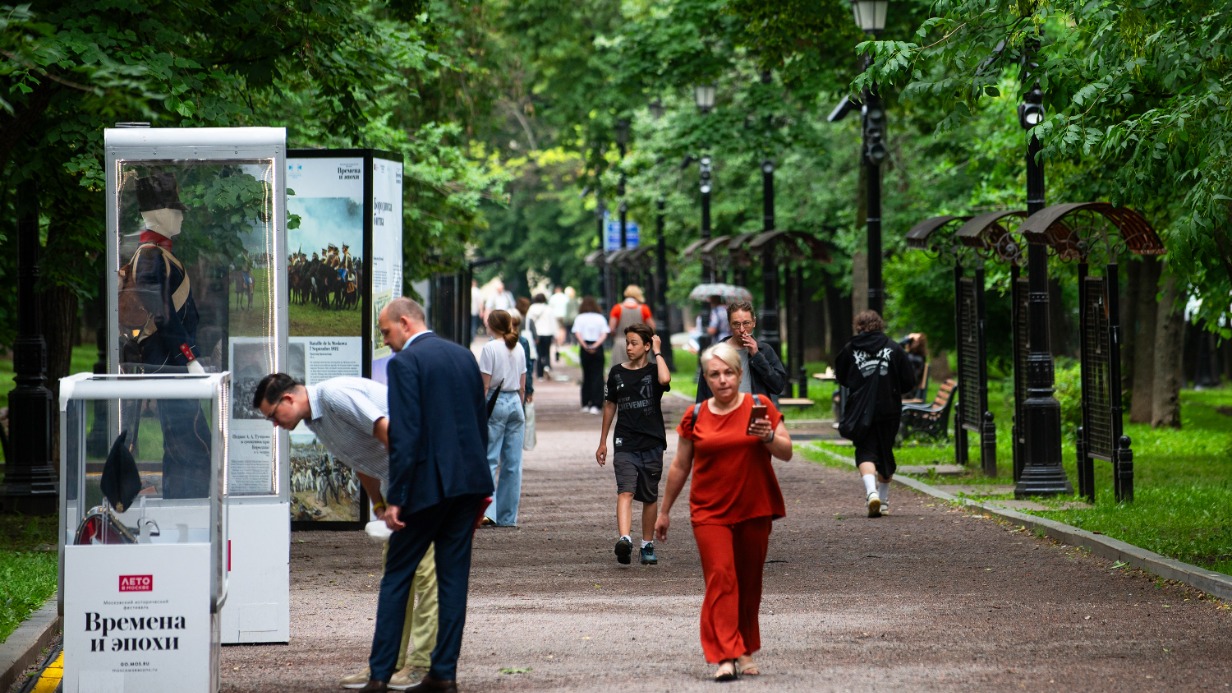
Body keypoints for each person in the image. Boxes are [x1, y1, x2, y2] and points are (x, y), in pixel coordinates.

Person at [252, 374, 438, 690]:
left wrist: (402, 495)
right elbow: (361, 459)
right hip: (400, 486)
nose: (274, 424)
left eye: (272, 416)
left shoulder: (334, 395)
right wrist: (378, 503)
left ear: (287, 400)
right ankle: (386, 664)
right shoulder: (315, 421)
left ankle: (421, 664)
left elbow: (388, 430)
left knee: (423, 573)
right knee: (397, 575)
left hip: (421, 477)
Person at [361, 297, 494, 693]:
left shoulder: (405, 364)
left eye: (386, 332)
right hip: (468, 482)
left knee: (397, 576)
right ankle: (444, 673)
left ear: (405, 323)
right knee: (453, 579)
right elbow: (477, 420)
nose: (386, 341)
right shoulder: (463, 357)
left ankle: (380, 674)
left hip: (426, 488)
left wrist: (396, 497)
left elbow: (406, 435)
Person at [655, 342, 793, 681]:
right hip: (709, 512)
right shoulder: (696, 415)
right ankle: (725, 656)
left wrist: (769, 437)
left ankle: (744, 648)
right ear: (706, 378)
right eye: (714, 374)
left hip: (754, 508)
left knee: (748, 582)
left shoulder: (759, 406)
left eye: (728, 372)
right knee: (721, 579)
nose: (722, 380)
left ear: (739, 374)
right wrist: (664, 511)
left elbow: (786, 452)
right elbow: (679, 466)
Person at [123, 171, 211, 499]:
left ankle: (185, 502)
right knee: (188, 442)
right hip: (170, 362)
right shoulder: (150, 256)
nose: (181, 216)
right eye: (176, 210)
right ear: (159, 214)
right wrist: (188, 358)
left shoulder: (157, 254)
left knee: (186, 440)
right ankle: (186, 503)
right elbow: (162, 314)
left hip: (171, 361)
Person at [595, 323, 671, 566]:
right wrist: (603, 441)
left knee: (649, 495)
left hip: (652, 442)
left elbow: (665, 379)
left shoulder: (653, 371)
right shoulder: (617, 372)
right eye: (627, 342)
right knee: (625, 490)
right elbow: (609, 406)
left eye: (634, 343)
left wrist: (658, 352)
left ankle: (646, 545)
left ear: (647, 346)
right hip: (625, 441)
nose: (628, 347)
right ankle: (625, 540)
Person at [834, 310, 917, 518]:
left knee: (865, 451)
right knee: (885, 452)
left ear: (859, 327)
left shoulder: (850, 349)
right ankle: (884, 500)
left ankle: (872, 493)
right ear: (879, 325)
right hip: (889, 408)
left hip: (860, 410)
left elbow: (841, 376)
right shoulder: (894, 348)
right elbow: (909, 380)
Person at [477, 309, 526, 528]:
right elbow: (523, 385)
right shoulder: (519, 347)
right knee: (513, 464)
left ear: (492, 325)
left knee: (489, 459)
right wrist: (520, 407)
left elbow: (485, 385)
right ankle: (508, 517)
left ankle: (488, 512)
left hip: (496, 403)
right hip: (515, 402)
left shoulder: (489, 348)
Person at [695, 301, 788, 406]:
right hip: (722, 416)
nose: (742, 329)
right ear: (729, 324)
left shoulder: (764, 350)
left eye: (746, 323)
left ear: (754, 322)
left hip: (755, 415)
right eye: (736, 324)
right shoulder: (715, 353)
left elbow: (778, 386)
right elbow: (702, 395)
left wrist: (757, 355)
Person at [572, 296, 610, 414]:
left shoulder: (580, 318)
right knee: (598, 375)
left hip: (585, 347)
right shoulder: (600, 318)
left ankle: (585, 403)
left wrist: (585, 345)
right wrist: (596, 345)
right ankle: (596, 404)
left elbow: (577, 333)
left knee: (586, 375)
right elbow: (604, 333)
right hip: (597, 347)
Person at [608, 284, 655, 366]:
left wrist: (617, 336)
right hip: (640, 344)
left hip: (621, 344)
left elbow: (611, 328)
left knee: (620, 372)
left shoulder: (617, 308)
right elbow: (652, 327)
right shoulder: (644, 309)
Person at [525, 293, 558, 380]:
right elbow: (553, 322)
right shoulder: (548, 309)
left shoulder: (532, 308)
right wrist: (555, 334)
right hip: (548, 333)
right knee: (547, 352)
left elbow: (529, 321)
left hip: (537, 333)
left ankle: (540, 375)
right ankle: (547, 366)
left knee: (538, 353)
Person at [899, 332, 929, 401]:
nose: (911, 342)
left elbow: (896, 348)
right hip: (907, 390)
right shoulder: (917, 357)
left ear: (919, 343)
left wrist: (906, 339)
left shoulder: (915, 359)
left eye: (913, 340)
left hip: (907, 393)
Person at [548, 286, 571, 352]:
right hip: (564, 314)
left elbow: (550, 307)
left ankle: (558, 340)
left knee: (557, 328)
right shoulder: (565, 297)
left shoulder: (553, 297)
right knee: (563, 328)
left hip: (555, 314)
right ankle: (562, 340)